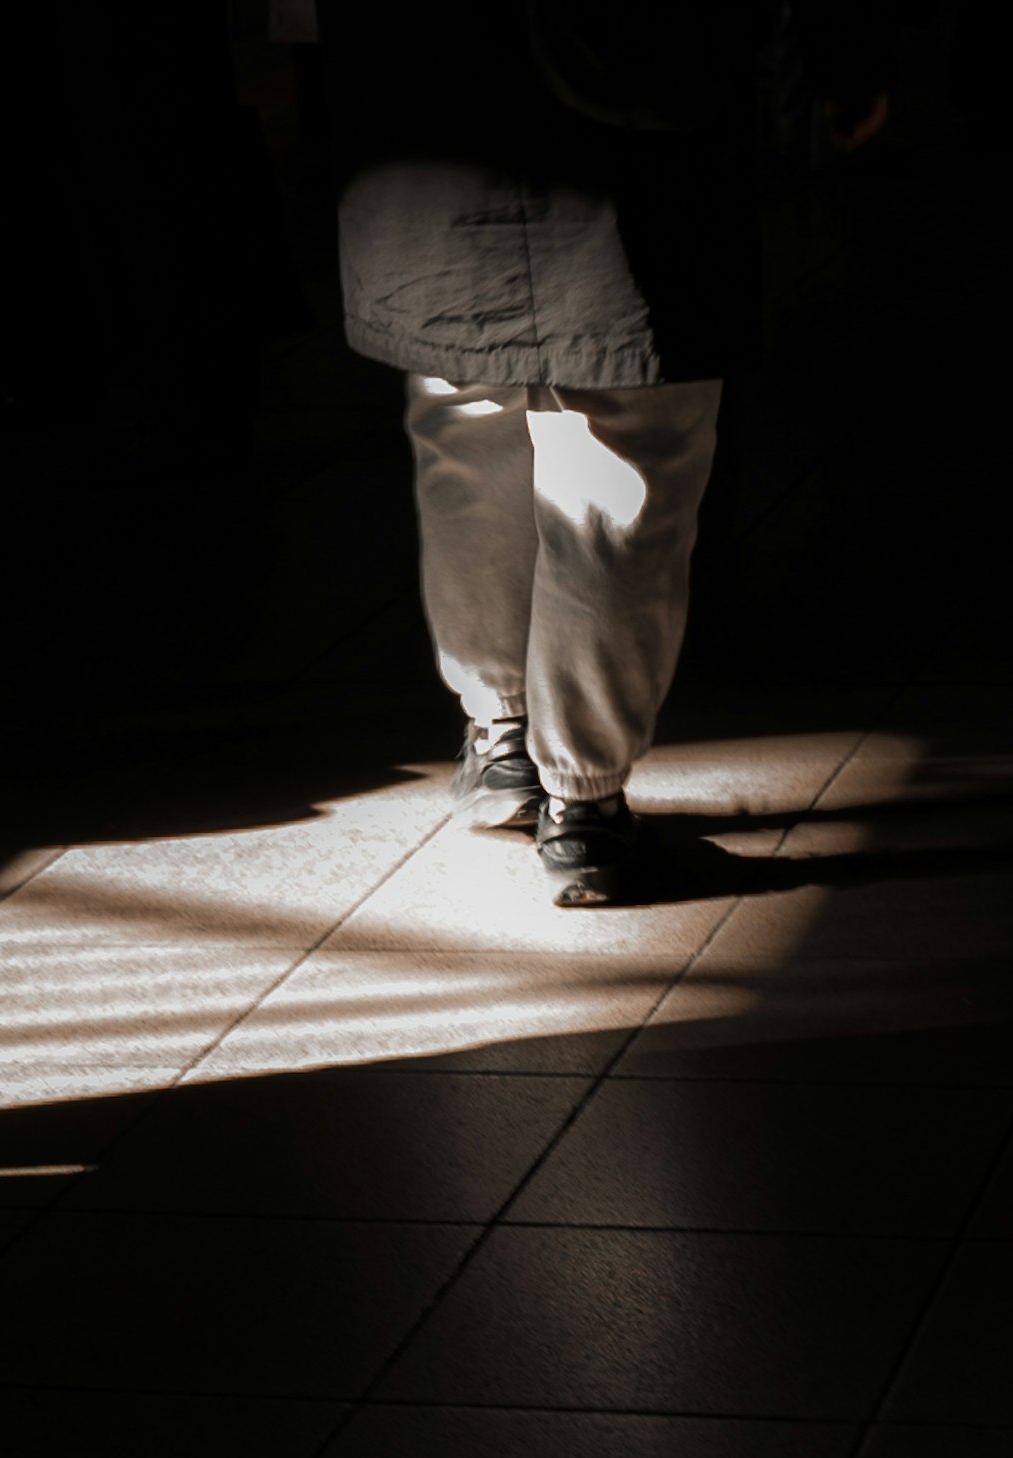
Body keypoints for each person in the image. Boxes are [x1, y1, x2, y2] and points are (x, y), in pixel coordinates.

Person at [321, 0, 887, 908]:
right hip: (633, 72)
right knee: (622, 439)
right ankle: (581, 801)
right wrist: (842, 51)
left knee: (462, 400)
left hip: (428, 71)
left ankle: (500, 732)